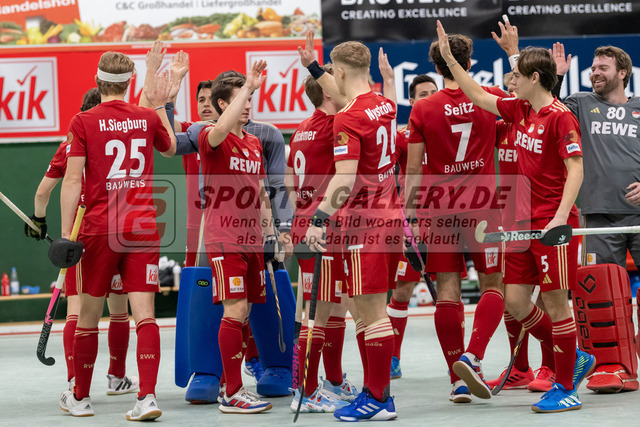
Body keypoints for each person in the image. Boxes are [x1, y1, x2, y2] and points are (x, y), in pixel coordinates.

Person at [435, 20, 596, 412]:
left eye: (517, 75)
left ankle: (565, 387)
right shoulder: (520, 109)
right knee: (516, 302)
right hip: (520, 224)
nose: (511, 81)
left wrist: (560, 217)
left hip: (552, 224)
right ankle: (573, 357)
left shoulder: (561, 117)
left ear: (534, 78)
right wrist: (451, 62)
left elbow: (576, 169)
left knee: (557, 305)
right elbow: (476, 94)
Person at [58, 51, 176, 419]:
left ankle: (80, 398)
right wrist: (159, 105)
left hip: (98, 229)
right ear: (128, 83)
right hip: (142, 227)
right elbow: (171, 148)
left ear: (97, 83)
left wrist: (66, 235)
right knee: (145, 316)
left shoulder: (82, 121)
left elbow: (72, 180)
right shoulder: (146, 116)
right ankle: (147, 398)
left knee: (88, 315)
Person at [300, 34, 399, 422]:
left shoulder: (347, 117)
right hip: (388, 219)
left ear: (339, 72)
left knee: (372, 314)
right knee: (369, 311)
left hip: (363, 225)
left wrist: (318, 219)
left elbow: (344, 179)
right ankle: (376, 393)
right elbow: (344, 93)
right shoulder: (384, 105)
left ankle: (379, 398)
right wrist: (313, 67)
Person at [404, 29, 506, 404]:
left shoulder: (422, 108)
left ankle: (457, 381)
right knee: (494, 284)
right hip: (484, 205)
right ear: (469, 62)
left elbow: (413, 169)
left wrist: (411, 215)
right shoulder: (491, 97)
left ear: (436, 67)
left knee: (447, 290)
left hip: (439, 208)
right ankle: (472, 357)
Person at [25, 87, 139, 397]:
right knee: (119, 310)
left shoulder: (69, 146)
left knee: (77, 312)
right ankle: (117, 377)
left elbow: (42, 193)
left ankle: (75, 382)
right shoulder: (125, 140)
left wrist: (38, 220)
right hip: (120, 231)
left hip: (81, 235)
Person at [197, 62, 276, 413]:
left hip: (252, 239)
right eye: (241, 99)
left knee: (245, 313)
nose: (248, 105)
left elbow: (260, 192)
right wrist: (247, 87)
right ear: (222, 104)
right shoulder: (210, 136)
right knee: (236, 309)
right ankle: (232, 392)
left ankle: (231, 385)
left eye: (250, 99)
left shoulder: (255, 142)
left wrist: (271, 234)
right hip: (224, 237)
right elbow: (220, 127)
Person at [562, 45, 640, 392]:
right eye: (593, 68)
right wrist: (557, 77)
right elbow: (544, 109)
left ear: (622, 73)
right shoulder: (581, 104)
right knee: (602, 296)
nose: (595, 72)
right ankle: (614, 367)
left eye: (602, 68)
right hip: (598, 216)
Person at [285, 64, 357, 413]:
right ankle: (307, 389)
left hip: (308, 223)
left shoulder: (300, 129)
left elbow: (288, 181)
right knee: (317, 312)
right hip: (321, 228)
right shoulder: (334, 125)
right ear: (327, 91)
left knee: (332, 307)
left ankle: (331, 381)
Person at [387, 74, 438, 380]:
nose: (428, 98)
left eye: (433, 92)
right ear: (411, 101)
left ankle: (461, 362)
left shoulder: (447, 131)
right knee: (403, 290)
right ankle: (392, 357)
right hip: (413, 223)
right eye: (422, 94)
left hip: (447, 221)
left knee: (450, 291)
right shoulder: (402, 137)